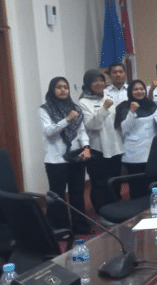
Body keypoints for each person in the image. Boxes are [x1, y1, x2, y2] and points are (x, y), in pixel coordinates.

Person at [40, 76, 92, 234]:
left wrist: (86, 147)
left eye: (66, 87)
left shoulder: (75, 108)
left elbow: (81, 131)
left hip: (76, 157)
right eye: (59, 87)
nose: (63, 90)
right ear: (52, 90)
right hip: (56, 160)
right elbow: (49, 132)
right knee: (58, 196)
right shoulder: (45, 109)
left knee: (77, 193)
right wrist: (67, 120)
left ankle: (80, 226)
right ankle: (61, 229)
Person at [78, 69, 116, 213]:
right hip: (97, 148)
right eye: (95, 81)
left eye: (101, 80)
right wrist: (104, 108)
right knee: (99, 183)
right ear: (88, 83)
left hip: (113, 147)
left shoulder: (109, 96)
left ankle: (114, 211)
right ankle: (101, 213)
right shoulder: (83, 102)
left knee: (112, 181)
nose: (99, 83)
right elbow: (92, 125)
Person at [115, 80, 157, 199]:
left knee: (151, 186)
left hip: (150, 151)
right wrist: (131, 112)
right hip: (134, 153)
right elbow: (124, 130)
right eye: (135, 89)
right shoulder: (124, 106)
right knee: (136, 187)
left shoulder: (152, 105)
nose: (139, 91)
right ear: (130, 91)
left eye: (141, 89)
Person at [103, 63, 128, 185]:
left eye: (120, 71)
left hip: (130, 133)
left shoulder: (132, 90)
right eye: (114, 72)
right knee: (114, 171)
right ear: (110, 75)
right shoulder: (104, 93)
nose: (118, 74)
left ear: (125, 73)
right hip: (113, 134)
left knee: (134, 170)